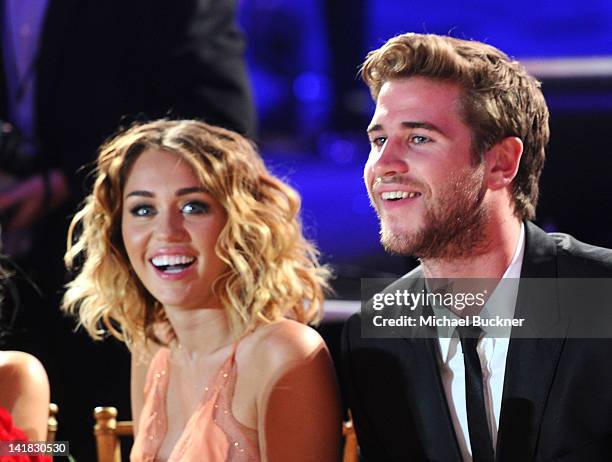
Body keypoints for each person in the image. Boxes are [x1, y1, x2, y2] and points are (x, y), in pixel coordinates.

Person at [341, 33, 612, 461]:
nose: (384, 166)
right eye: (378, 141)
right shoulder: (373, 334)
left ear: (501, 163)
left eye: (418, 138)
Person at [1, 1, 254, 457]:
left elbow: (218, 134)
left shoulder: (17, 377)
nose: (170, 224)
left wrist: (61, 184)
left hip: (108, 307)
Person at [63, 119, 342, 461]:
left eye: (193, 207)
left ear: (242, 223)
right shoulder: (153, 346)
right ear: (117, 233)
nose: (166, 231)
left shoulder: (284, 353)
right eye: (143, 209)